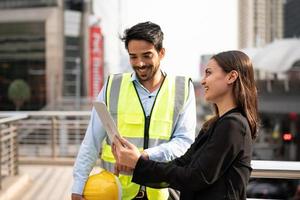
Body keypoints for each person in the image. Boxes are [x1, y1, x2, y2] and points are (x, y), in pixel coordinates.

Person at [71, 21, 196, 200]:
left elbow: (184, 141)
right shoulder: (112, 86)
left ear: (161, 53)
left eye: (147, 55)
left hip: (159, 191)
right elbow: (91, 141)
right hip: (115, 192)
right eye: (133, 57)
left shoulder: (182, 89)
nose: (140, 63)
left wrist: (144, 156)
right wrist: (78, 186)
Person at [113, 50, 259, 200]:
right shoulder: (214, 125)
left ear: (231, 76)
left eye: (209, 73)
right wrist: (135, 165)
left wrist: (139, 164)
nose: (203, 81)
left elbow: (194, 177)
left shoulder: (233, 125)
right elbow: (181, 164)